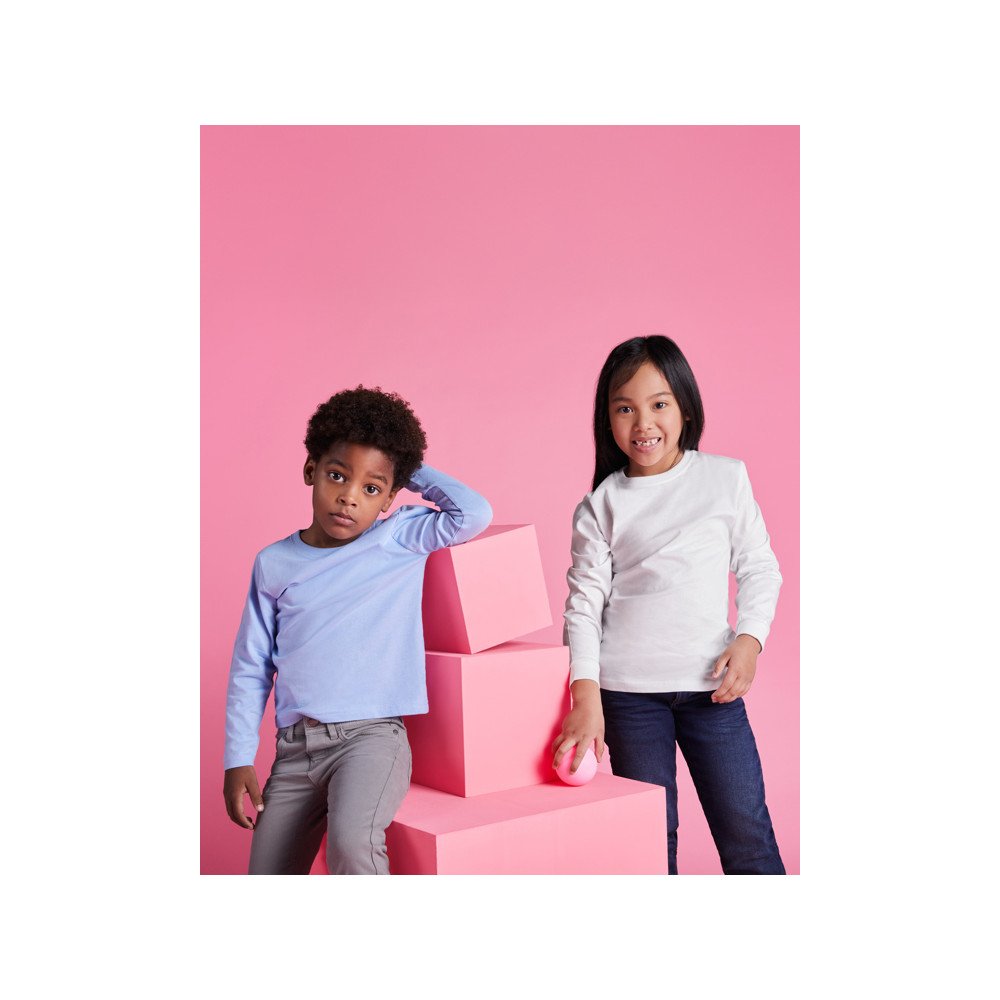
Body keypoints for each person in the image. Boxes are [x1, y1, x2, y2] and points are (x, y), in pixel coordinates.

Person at [223, 385, 492, 874]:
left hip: (370, 740)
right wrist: (238, 758)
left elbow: (473, 514)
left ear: (390, 497)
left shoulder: (398, 539)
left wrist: (407, 467)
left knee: (352, 844)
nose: (349, 496)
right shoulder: (274, 563)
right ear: (310, 470)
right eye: (337, 475)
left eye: (371, 488)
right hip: (295, 750)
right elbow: (251, 666)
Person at [554, 336, 785, 875]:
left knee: (747, 834)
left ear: (685, 407)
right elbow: (583, 606)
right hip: (628, 699)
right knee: (651, 846)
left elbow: (759, 567)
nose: (643, 423)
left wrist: (750, 640)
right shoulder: (600, 505)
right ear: (607, 418)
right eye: (625, 408)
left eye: (659, 404)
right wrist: (586, 696)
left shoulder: (724, 478)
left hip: (713, 691)